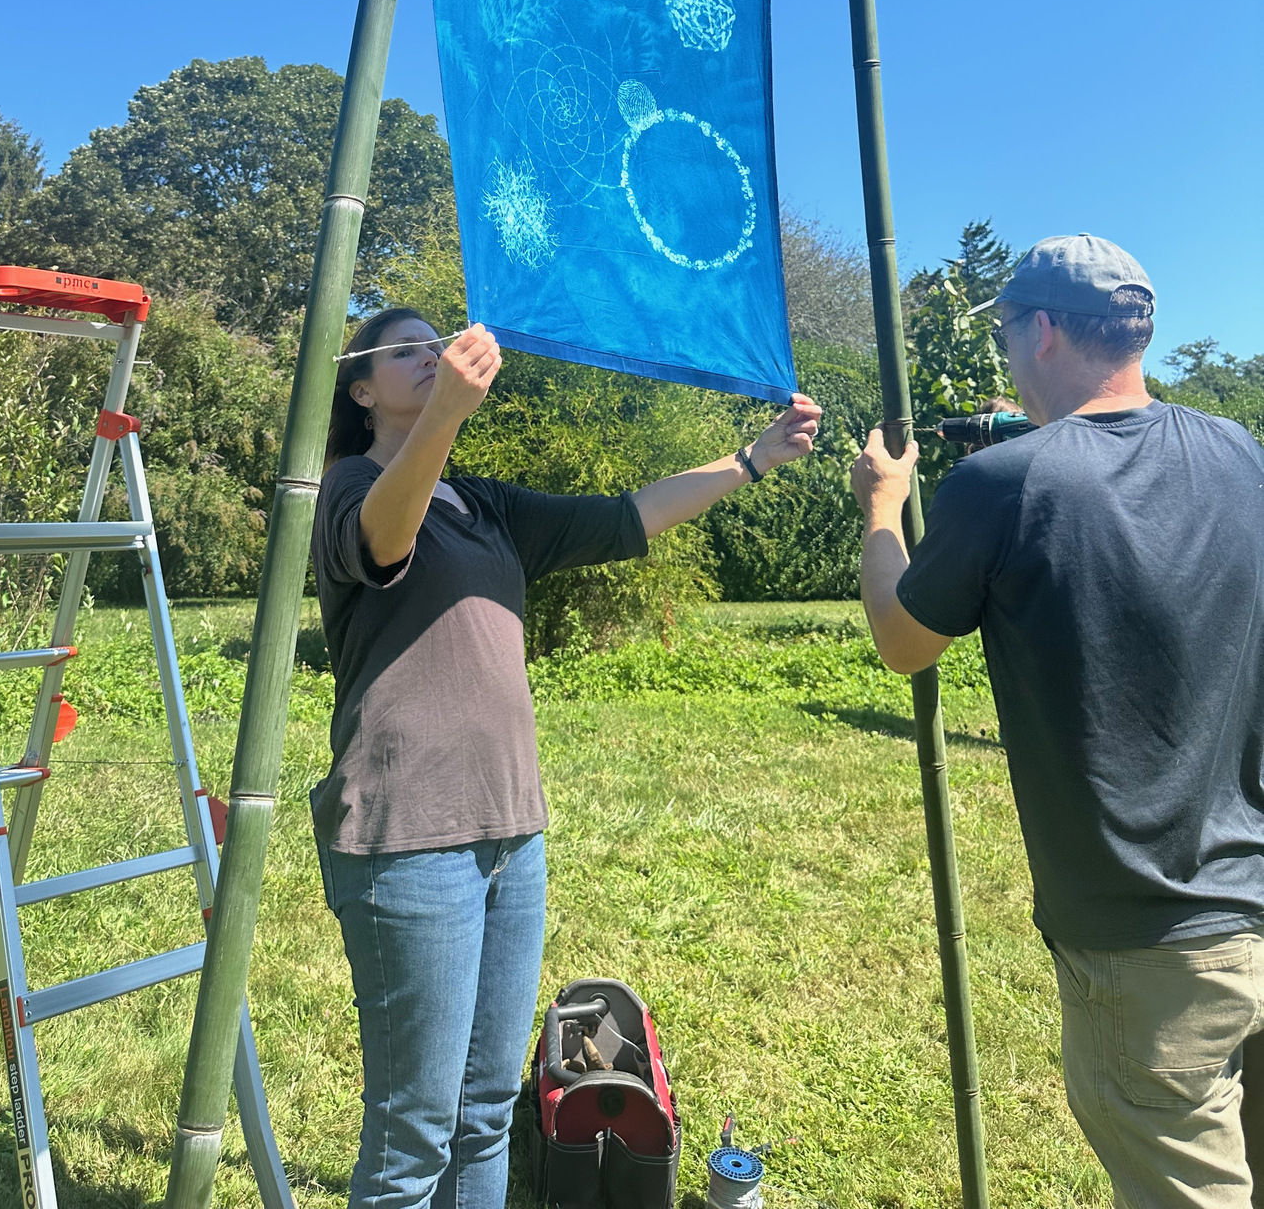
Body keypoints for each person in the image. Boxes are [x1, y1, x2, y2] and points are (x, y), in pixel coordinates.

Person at [311, 307, 822, 1209]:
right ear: (361, 388)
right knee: (413, 1133)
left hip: (514, 833)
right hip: (408, 840)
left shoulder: (487, 506)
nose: (433, 353)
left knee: (484, 1112)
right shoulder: (348, 487)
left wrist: (752, 459)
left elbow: (630, 517)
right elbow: (387, 539)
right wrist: (444, 418)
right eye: (408, 350)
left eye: (439, 342)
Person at [850, 233, 1264, 1208]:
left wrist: (882, 507)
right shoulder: (1241, 453)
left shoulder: (1003, 485)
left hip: (1147, 934)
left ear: (1040, 330)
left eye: (1005, 329)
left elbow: (905, 640)